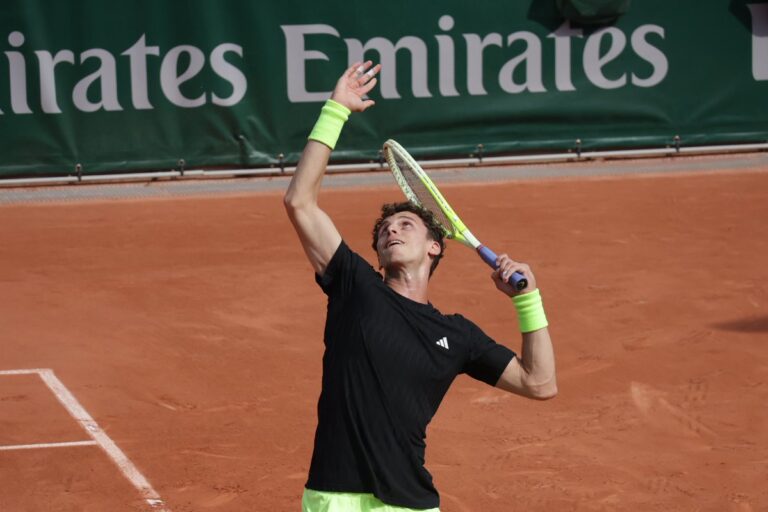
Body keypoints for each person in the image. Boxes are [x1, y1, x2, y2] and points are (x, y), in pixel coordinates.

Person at [284, 61, 557, 512]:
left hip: (411, 502)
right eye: (384, 229)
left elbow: (539, 383)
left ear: (435, 247)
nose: (392, 231)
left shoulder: (459, 335)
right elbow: (299, 201)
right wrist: (335, 110)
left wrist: (528, 301)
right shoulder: (355, 287)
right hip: (336, 497)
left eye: (406, 224)